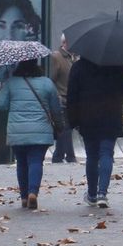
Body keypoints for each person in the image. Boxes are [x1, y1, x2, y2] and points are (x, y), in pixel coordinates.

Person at [0, 57, 62, 210]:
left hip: (17, 132)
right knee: (36, 161)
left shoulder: (11, 83)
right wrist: (59, 125)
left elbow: (0, 105)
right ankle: (33, 192)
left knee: (21, 163)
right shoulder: (47, 83)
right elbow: (56, 109)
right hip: (41, 132)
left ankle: (24, 197)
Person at [67, 56, 123, 208]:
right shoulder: (117, 65)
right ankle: (102, 193)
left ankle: (91, 194)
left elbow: (72, 94)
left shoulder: (79, 67)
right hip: (111, 114)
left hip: (87, 116)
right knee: (106, 153)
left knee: (91, 155)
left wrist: (73, 120)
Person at [49, 34, 78, 164]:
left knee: (67, 128)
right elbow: (51, 79)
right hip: (61, 98)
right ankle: (70, 156)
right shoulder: (56, 57)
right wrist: (56, 95)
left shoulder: (72, 58)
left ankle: (58, 155)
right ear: (66, 42)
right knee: (65, 127)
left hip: (72, 99)